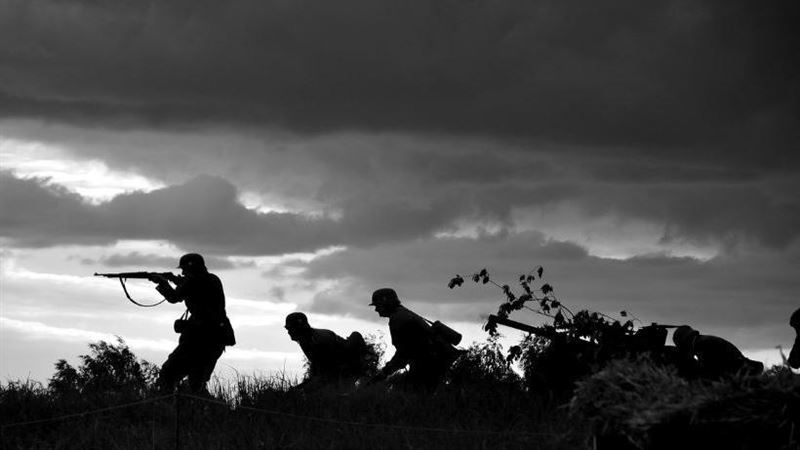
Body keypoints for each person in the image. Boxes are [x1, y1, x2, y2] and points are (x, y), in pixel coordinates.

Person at [150, 253, 235, 393]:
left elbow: (174, 297)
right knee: (196, 382)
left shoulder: (193, 281)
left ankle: (167, 408)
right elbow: (194, 289)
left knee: (168, 374)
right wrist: (173, 280)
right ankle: (198, 411)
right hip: (217, 337)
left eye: (184, 269)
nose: (182, 273)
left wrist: (162, 282)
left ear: (192, 268)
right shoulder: (213, 279)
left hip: (199, 339)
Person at [369, 288, 461, 390]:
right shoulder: (403, 314)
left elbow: (403, 353)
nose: (376, 309)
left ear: (386, 303)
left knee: (410, 395)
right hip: (436, 360)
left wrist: (385, 372)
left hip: (429, 364)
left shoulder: (398, 319)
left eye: (377, 305)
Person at [285, 312, 370, 388]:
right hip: (339, 365)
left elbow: (328, 372)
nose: (288, 332)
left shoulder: (318, 341)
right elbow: (317, 370)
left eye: (291, 328)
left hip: (348, 363)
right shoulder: (305, 340)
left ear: (300, 328)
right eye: (287, 329)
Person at [672, 325, 762, 380]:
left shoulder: (702, 344)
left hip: (739, 371)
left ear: (685, 341)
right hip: (740, 369)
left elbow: (707, 368)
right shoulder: (703, 341)